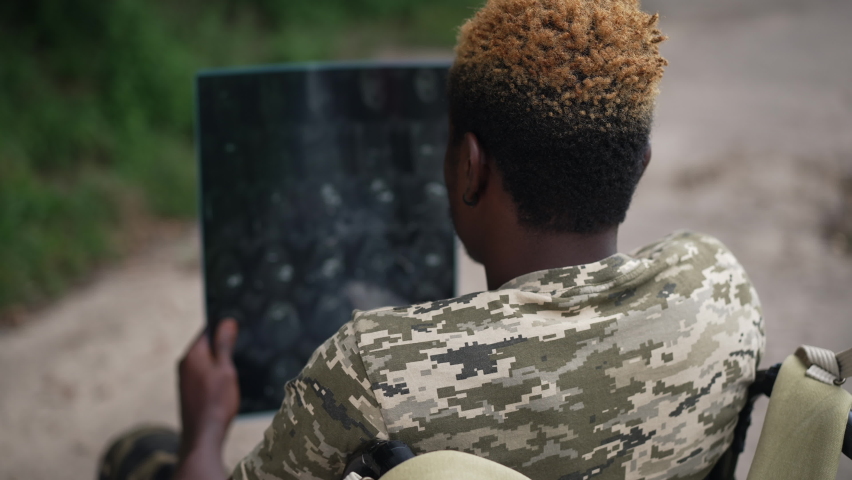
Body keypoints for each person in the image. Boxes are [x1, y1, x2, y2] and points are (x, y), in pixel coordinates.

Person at [100, 0, 765, 479]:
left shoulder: (373, 371)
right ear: (641, 163)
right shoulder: (720, 288)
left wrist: (205, 436)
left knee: (136, 452)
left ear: (469, 167)